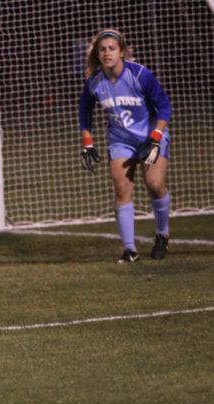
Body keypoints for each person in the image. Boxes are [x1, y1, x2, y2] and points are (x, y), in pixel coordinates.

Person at [79, 29, 172, 262]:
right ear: (97, 54)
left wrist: (156, 136)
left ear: (122, 52)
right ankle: (130, 249)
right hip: (121, 140)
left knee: (154, 184)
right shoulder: (94, 82)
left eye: (112, 48)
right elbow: (84, 110)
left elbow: (164, 107)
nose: (107, 53)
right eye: (102, 49)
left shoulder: (140, 75)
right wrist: (87, 141)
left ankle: (162, 235)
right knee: (121, 189)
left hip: (151, 136)